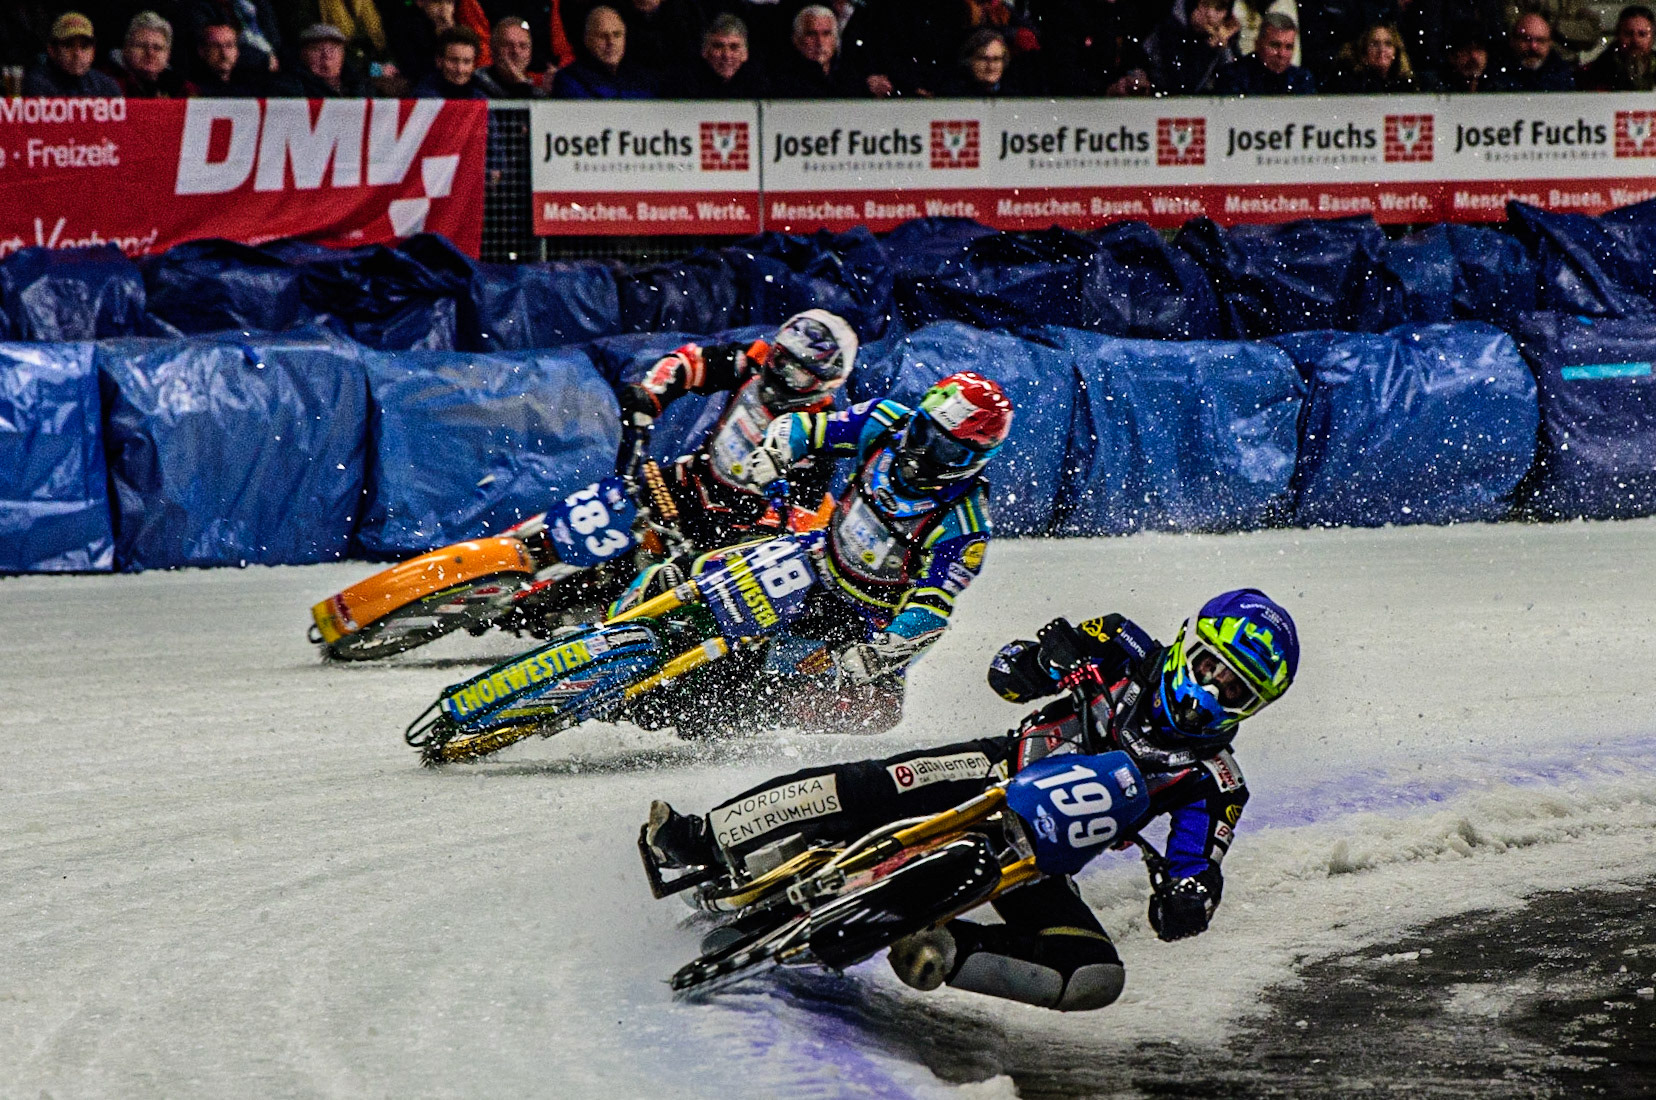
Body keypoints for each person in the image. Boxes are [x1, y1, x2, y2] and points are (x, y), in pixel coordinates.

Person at [646, 588, 1299, 1010]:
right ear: (1189, 643)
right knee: (871, 783)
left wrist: (1188, 898)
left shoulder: (1216, 782)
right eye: (1210, 668)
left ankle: (942, 947)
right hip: (994, 769)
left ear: (1255, 706)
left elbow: (1197, 865)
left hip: (1042, 855)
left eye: (1233, 690)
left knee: (1094, 976)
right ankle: (703, 838)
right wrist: (1046, 658)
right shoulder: (1123, 645)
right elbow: (1007, 670)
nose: (1207, 694)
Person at [620, 370, 1013, 736]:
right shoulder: (885, 423)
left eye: (947, 450)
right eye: (925, 431)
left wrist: (882, 651)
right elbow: (805, 427)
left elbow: (932, 605)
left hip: (864, 619)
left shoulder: (966, 524)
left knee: (872, 710)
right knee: (698, 568)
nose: (923, 452)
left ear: (975, 461)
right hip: (815, 558)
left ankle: (697, 708)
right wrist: (777, 452)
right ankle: (615, 620)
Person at [613, 310, 859, 555]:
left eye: (797, 374)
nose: (781, 374)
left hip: (737, 525)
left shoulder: (821, 430)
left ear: (824, 384)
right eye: (780, 359)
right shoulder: (754, 359)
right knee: (618, 506)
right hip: (690, 480)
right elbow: (690, 362)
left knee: (667, 579)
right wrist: (650, 395)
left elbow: (799, 513)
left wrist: (754, 540)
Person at [552, 4, 654, 97]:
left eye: (617, 35)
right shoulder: (570, 80)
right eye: (602, 36)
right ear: (587, 40)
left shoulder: (644, 80)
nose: (611, 42)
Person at [766, 5, 868, 98]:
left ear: (835, 40)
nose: (819, 42)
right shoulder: (781, 82)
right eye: (811, 34)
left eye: (826, 34)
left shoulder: (851, 78)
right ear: (796, 40)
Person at [1145, 0, 1241, 95]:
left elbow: (1235, 87)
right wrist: (1209, 49)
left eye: (1219, 8)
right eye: (1205, 4)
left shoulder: (1225, 33)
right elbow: (1182, 87)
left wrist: (1226, 46)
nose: (1210, 14)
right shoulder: (1169, 30)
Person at [1212, 10, 1316, 93]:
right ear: (1257, 44)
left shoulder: (1301, 79)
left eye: (1288, 47)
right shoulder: (1234, 76)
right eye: (1275, 45)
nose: (1281, 54)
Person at [23, 12, 125, 96]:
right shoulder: (37, 84)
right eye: (68, 46)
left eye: (84, 47)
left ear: (93, 51)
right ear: (52, 50)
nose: (77, 54)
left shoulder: (106, 86)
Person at [672, 13, 768, 98]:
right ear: (705, 51)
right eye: (718, 46)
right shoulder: (683, 85)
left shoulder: (760, 85)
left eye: (734, 47)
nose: (726, 55)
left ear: (745, 54)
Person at [105, 11, 194, 97]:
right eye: (141, 46)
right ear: (126, 49)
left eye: (157, 48)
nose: (150, 53)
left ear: (168, 54)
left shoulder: (183, 89)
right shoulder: (105, 85)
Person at [1486, 9, 1577, 89]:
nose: (1533, 46)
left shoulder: (1561, 74)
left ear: (1550, 43)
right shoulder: (1496, 71)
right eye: (1526, 39)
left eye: (1540, 41)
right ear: (1513, 41)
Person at [933, 27, 1038, 96]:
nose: (991, 66)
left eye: (996, 59)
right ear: (969, 60)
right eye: (984, 59)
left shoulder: (1016, 98)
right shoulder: (952, 96)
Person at [273, 22, 368, 96]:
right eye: (317, 49)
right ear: (303, 54)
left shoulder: (358, 81)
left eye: (333, 49)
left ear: (343, 54)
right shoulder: (290, 88)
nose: (326, 55)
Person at [1579, 4, 1655, 90]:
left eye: (1642, 34)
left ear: (1652, 38)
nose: (1635, 40)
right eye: (1628, 34)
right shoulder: (1594, 74)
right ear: (1618, 35)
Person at [1327, 22, 1419, 92]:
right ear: (1364, 50)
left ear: (1396, 51)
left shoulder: (1406, 84)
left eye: (1388, 44)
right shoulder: (1349, 83)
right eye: (1375, 44)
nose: (1382, 50)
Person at [476, 16, 548, 96]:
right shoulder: (475, 84)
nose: (516, 51)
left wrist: (522, 85)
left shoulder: (538, 94)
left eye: (523, 46)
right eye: (508, 45)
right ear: (493, 49)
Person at [192, 18, 264, 94]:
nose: (224, 53)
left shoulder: (253, 85)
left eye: (229, 45)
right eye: (216, 46)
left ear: (237, 51)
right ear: (202, 51)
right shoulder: (192, 89)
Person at [414, 24, 490, 96]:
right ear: (439, 61)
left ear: (474, 64)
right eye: (453, 61)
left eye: (467, 62)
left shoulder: (482, 95)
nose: (460, 69)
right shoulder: (424, 98)